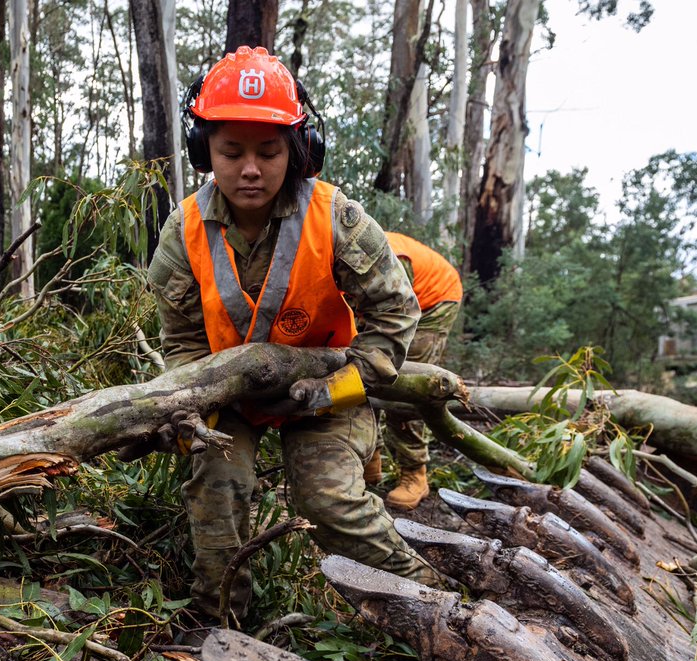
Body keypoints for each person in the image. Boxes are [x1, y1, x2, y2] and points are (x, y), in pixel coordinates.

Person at [147, 46, 430, 625]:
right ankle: (220, 625)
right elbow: (180, 339)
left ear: (298, 151)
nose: (250, 168)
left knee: (327, 500)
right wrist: (192, 405)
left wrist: (343, 386)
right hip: (231, 393)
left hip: (329, 389)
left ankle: (431, 603)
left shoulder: (336, 218)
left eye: (269, 151)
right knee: (216, 481)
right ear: (206, 152)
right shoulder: (185, 229)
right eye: (231, 151)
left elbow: (396, 314)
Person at [364, 232, 462, 510]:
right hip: (388, 306)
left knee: (404, 384)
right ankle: (370, 458)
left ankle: (415, 474)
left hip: (434, 301)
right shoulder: (325, 254)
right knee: (359, 371)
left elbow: (395, 315)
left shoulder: (383, 257)